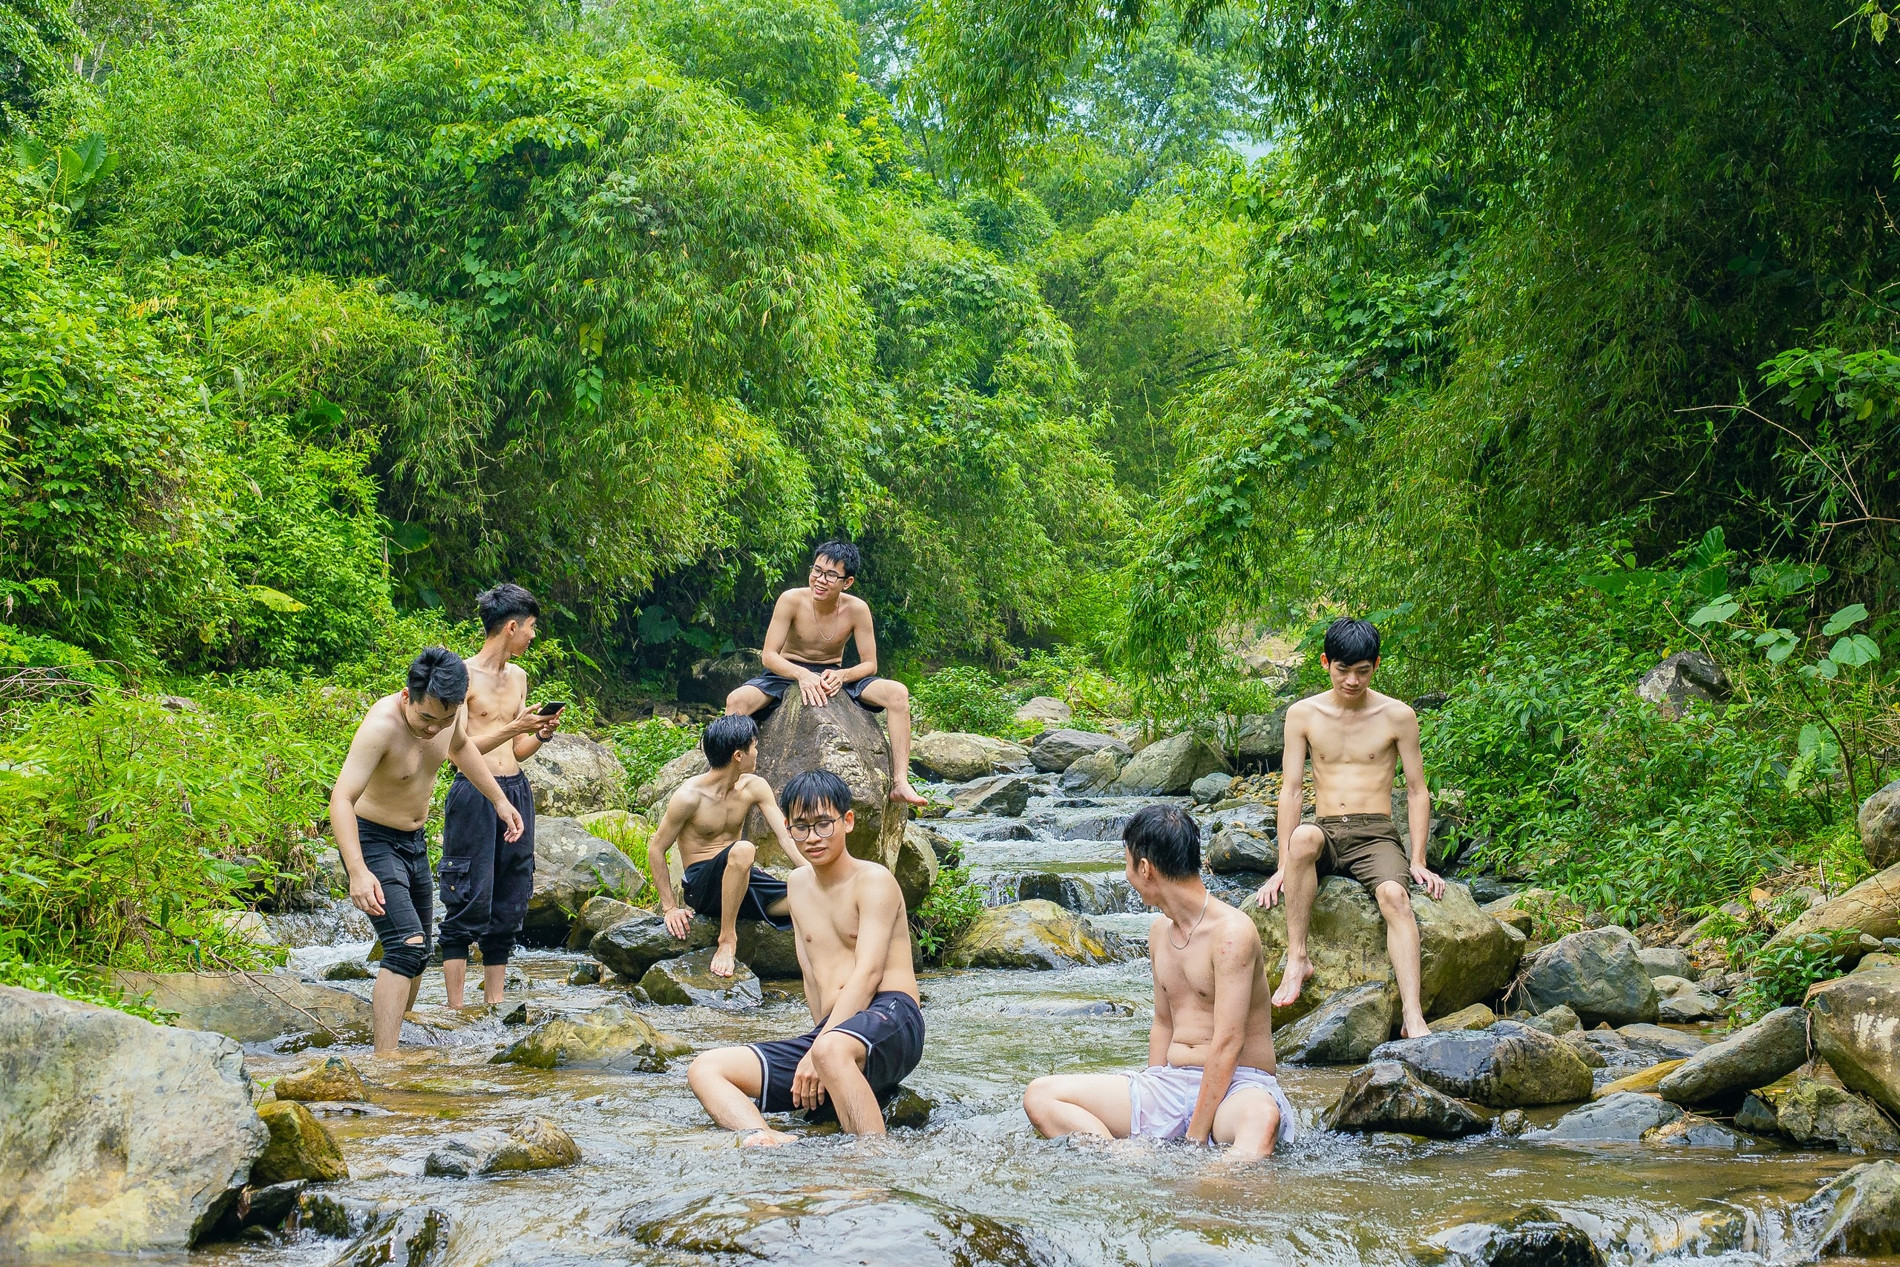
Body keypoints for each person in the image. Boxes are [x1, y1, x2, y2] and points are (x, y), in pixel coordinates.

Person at [1022, 805, 1295, 1162]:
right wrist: (1148, 1114)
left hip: (1238, 1087)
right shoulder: (1158, 934)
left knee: (1261, 1119)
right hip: (1169, 1084)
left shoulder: (1232, 934)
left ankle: (1212, 1181)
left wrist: (1194, 1141)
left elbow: (1228, 1042)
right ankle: (1124, 1159)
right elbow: (1164, 1023)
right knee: (1041, 1096)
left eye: (1127, 864)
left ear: (1145, 868)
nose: (1127, 875)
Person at [687, 770, 924, 1146]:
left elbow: (869, 973)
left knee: (830, 1052)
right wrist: (818, 1048)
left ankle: (875, 1163)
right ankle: (772, 1142)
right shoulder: (797, 886)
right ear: (787, 828)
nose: (812, 838)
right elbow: (811, 974)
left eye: (823, 825)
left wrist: (821, 1051)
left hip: (892, 1017)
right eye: (801, 827)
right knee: (707, 1068)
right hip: (832, 1031)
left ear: (847, 821)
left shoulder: (873, 880)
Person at [1254, 617, 1443, 1039]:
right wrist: (1283, 865)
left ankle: (1413, 1014)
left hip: (1375, 833)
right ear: (1326, 663)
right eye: (1343, 669)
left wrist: (1418, 859)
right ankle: (1297, 958)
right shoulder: (1303, 714)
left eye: (1362, 670)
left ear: (1375, 665)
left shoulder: (1397, 716)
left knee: (1395, 897)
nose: (1353, 681)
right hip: (1326, 830)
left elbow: (1416, 791)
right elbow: (1290, 790)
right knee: (1303, 838)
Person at [329, 648, 526, 1054]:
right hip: (373, 839)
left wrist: (498, 800)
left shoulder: (447, 720)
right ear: (407, 697)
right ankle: (385, 1059)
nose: (433, 729)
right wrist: (357, 871)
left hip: (413, 842)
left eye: (444, 720)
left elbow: (463, 748)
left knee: (419, 955)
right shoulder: (381, 726)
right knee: (406, 944)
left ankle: (397, 1037)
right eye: (425, 719)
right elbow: (341, 799)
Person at [724, 541, 927, 806]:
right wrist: (801, 674)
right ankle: (726, 780)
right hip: (786, 671)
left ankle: (900, 781)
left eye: (831, 575)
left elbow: (870, 665)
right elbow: (769, 655)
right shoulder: (791, 600)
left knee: (898, 693)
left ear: (847, 581)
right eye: (816, 571)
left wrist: (841, 676)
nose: (820, 580)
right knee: (736, 700)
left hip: (833, 673)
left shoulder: (857, 609)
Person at [439, 584, 561, 1010]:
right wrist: (513, 728)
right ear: (511, 627)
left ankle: (494, 1003)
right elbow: (460, 749)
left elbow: (517, 749)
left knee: (510, 898)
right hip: (473, 793)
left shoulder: (521, 678)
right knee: (466, 896)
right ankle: (455, 1008)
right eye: (530, 628)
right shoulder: (464, 677)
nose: (532, 636)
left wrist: (539, 735)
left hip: (516, 790)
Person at [648, 713, 807, 977]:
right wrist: (669, 908)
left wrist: (814, 874)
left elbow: (784, 834)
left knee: (811, 896)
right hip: (702, 885)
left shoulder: (754, 787)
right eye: (754, 746)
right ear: (738, 755)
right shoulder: (689, 797)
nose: (757, 751)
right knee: (744, 849)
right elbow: (656, 849)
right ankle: (727, 939)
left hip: (742, 879)